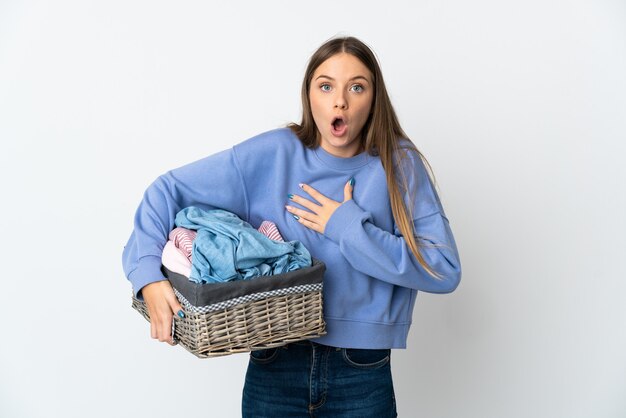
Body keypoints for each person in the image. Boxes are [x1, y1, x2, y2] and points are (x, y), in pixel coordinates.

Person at [122, 36, 461, 418]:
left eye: (357, 86)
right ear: (309, 95)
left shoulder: (400, 164)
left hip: (362, 372)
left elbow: (443, 271)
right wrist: (148, 276)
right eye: (326, 85)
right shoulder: (274, 153)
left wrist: (347, 226)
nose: (340, 101)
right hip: (275, 365)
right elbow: (167, 191)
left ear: (373, 98)